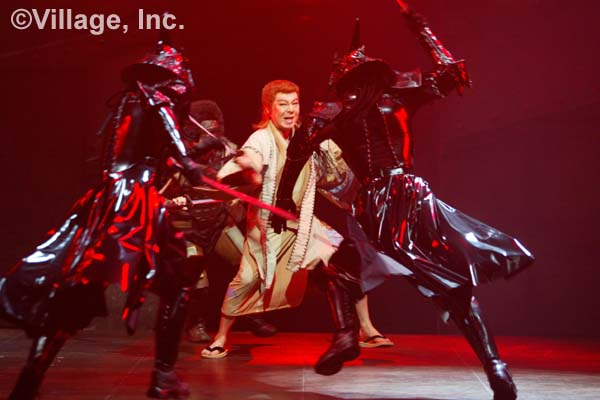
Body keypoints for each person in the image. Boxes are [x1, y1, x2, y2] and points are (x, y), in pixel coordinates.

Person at [272, 2, 534, 400]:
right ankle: (494, 364)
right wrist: (421, 29)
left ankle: (346, 336)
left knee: (342, 269)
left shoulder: (334, 113)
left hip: (379, 203)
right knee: (442, 284)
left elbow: (296, 155)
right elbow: (451, 72)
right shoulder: (397, 99)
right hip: (416, 197)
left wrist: (282, 201)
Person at [0, 35, 205, 400]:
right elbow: (172, 144)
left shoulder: (127, 101)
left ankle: (29, 380)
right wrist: (190, 163)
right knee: (177, 283)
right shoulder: (155, 98)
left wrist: (194, 153)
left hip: (107, 200)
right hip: (135, 201)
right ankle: (163, 375)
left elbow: (142, 151)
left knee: (76, 291)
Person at [202, 80, 391, 358]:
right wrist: (246, 170)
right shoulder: (260, 139)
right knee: (245, 281)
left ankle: (367, 329)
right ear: (268, 109)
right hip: (268, 228)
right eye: (283, 104)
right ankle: (220, 337)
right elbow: (249, 159)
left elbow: (333, 165)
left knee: (344, 262)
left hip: (303, 225)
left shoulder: (307, 136)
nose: (290, 110)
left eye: (294, 103)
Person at [162, 99, 277, 343]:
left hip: (219, 220)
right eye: (204, 135)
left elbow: (246, 179)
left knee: (247, 265)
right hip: (189, 226)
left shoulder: (229, 152)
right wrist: (174, 201)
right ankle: (195, 323)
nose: (209, 142)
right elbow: (159, 193)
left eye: (213, 135)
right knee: (198, 280)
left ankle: (249, 313)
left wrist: (245, 180)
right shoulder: (179, 158)